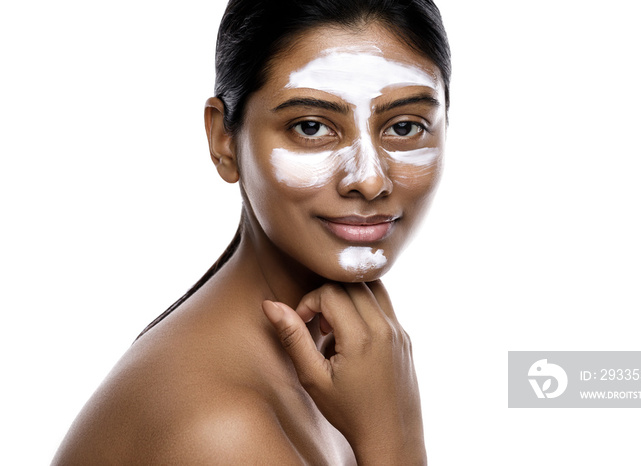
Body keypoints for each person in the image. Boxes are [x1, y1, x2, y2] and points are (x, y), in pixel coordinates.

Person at [52, 0, 450, 463]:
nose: (370, 178)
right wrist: (396, 440)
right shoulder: (223, 430)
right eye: (311, 126)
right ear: (224, 140)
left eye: (404, 127)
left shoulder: (345, 366)